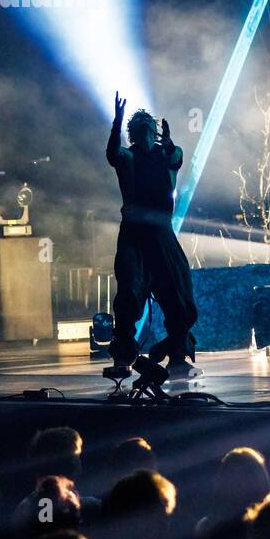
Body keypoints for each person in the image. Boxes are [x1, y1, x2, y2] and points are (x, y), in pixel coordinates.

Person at [107, 93, 199, 377]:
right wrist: (116, 123)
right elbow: (113, 154)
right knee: (129, 294)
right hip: (135, 234)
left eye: (149, 128)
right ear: (133, 134)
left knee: (176, 295)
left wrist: (169, 143)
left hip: (161, 233)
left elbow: (177, 156)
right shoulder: (128, 157)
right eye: (139, 129)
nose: (145, 132)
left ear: (155, 132)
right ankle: (123, 357)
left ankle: (176, 354)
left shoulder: (168, 154)